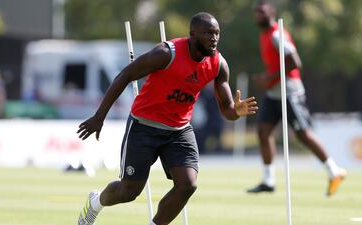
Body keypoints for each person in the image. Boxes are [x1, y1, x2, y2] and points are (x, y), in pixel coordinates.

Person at [77, 12, 258, 225]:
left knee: (188, 185)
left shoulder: (218, 64)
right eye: (208, 33)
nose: (214, 38)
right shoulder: (166, 53)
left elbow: (227, 109)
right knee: (129, 191)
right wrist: (99, 117)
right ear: (192, 34)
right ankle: (96, 202)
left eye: (217, 33)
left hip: (179, 130)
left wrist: (236, 111)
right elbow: (124, 75)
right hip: (144, 126)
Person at [247, 1, 346, 196]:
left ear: (272, 13)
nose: (258, 16)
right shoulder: (264, 34)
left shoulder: (276, 34)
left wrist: (267, 77)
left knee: (303, 135)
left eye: (262, 12)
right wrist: (268, 80)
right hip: (274, 92)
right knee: (263, 131)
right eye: (256, 13)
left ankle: (334, 171)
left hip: (289, 91)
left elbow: (294, 62)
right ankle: (268, 181)